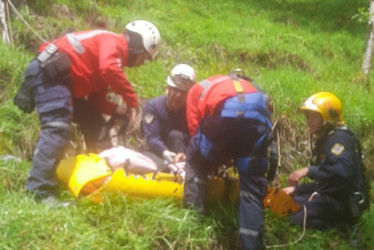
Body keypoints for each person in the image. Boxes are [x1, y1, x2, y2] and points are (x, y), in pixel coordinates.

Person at [13, 20, 161, 205]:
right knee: (57, 129)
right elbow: (109, 69)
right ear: (138, 47)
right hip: (52, 74)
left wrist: (117, 110)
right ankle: (38, 190)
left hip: (58, 78)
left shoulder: (108, 58)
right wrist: (132, 102)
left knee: (93, 121)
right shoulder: (112, 43)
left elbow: (95, 99)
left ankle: (96, 174)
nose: (142, 63)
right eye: (144, 57)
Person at [183, 71, 273, 250]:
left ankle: (193, 227)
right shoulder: (253, 88)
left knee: (195, 162)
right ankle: (252, 245)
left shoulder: (198, 89)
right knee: (252, 188)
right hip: (258, 124)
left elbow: (196, 131)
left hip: (226, 114)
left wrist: (211, 162)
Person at [283, 92, 370, 230]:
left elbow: (342, 172)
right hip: (333, 197)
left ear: (328, 117)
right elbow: (327, 181)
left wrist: (308, 170)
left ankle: (341, 227)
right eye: (308, 117)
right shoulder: (327, 139)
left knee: (296, 217)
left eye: (314, 117)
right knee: (289, 203)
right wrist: (297, 189)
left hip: (344, 203)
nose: (309, 121)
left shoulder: (340, 139)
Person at [142, 64, 195, 172]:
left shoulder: (191, 111)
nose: (178, 96)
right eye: (175, 90)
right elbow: (151, 138)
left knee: (176, 135)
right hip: (157, 152)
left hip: (180, 153)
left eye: (183, 93)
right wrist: (165, 152)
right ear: (168, 89)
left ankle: (181, 170)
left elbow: (194, 137)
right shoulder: (153, 107)